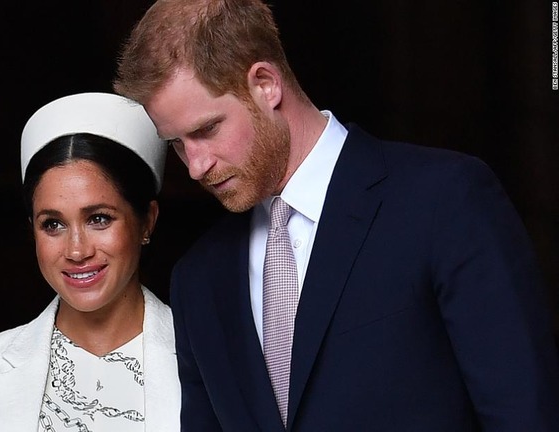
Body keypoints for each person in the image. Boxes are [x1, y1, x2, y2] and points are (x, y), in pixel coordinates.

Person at [112, 0, 559, 430]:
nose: (194, 166)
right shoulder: (198, 280)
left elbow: (524, 414)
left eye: (206, 129)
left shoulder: (444, 201)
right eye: (176, 143)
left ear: (266, 84)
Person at [0, 92, 180, 431]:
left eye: (99, 219)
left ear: (147, 220)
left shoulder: (209, 362)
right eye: (53, 224)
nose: (77, 251)